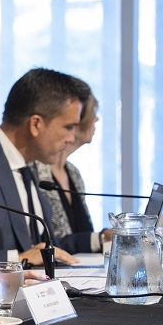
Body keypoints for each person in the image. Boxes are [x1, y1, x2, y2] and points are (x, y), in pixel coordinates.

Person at [0, 68, 89, 265]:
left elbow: (42, 247)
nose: (71, 138)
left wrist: (99, 240)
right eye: (68, 127)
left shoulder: (27, 166)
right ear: (35, 124)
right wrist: (18, 259)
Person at [31, 94, 110, 252]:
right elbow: (46, 242)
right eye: (93, 113)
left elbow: (84, 232)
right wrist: (101, 238)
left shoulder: (73, 172)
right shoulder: (34, 172)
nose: (96, 119)